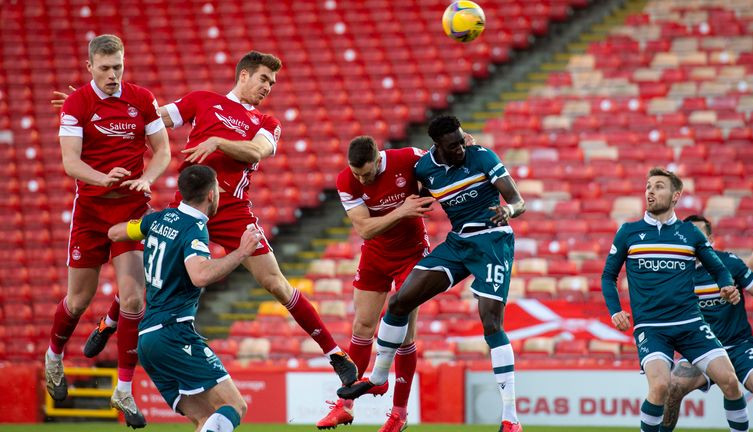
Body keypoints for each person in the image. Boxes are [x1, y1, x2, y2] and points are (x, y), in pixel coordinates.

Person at [153, 50, 357, 384]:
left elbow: (255, 151)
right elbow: (154, 119)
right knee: (152, 269)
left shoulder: (266, 123)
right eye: (264, 79)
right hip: (189, 207)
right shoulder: (202, 101)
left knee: (275, 283)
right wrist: (102, 109)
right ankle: (112, 323)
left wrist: (217, 140)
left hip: (233, 209)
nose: (268, 87)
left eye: (273, 83)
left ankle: (334, 352)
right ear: (244, 75)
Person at [337, 115, 526, 432]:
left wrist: (508, 209)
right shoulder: (424, 169)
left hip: (493, 241)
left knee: (491, 321)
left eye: (461, 140)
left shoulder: (482, 156)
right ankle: (378, 378)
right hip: (458, 243)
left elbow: (518, 201)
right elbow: (411, 189)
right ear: (438, 146)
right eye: (453, 145)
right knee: (399, 303)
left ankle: (511, 418)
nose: (460, 150)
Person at [45, 34, 170, 428]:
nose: (114, 75)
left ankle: (124, 390)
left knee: (135, 299)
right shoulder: (77, 103)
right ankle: (54, 356)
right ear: (90, 68)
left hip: (131, 211)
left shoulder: (141, 98)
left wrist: (147, 178)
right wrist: (104, 178)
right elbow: (70, 163)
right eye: (106, 68)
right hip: (91, 214)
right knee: (77, 301)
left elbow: (163, 151)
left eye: (119, 66)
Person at [108, 165, 261, 432]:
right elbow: (200, 275)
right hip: (174, 332)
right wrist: (241, 252)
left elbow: (115, 232)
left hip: (147, 340)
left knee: (205, 419)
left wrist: (144, 229)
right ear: (212, 195)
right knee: (235, 406)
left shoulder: (158, 220)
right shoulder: (195, 228)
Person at [601, 167, 748, 432]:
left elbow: (719, 269)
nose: (650, 191)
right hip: (652, 327)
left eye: (658, 186)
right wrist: (615, 311)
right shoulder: (628, 232)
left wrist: (726, 285)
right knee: (660, 387)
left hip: (691, 324)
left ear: (675, 195)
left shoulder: (690, 234)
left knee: (730, 382)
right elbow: (608, 276)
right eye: (648, 186)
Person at [316, 136, 434, 431]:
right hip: (376, 254)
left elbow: (441, 164)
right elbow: (365, 229)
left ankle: (398, 414)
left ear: (378, 159)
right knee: (361, 328)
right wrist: (402, 210)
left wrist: (428, 192)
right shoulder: (347, 180)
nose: (361, 179)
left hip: (412, 253)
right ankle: (344, 407)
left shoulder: (408, 159)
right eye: (356, 173)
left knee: (405, 336)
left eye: (366, 173)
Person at [660, 215, 753, 431]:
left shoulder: (729, 263)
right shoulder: (674, 274)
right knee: (672, 389)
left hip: (739, 346)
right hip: (702, 348)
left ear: (710, 239)